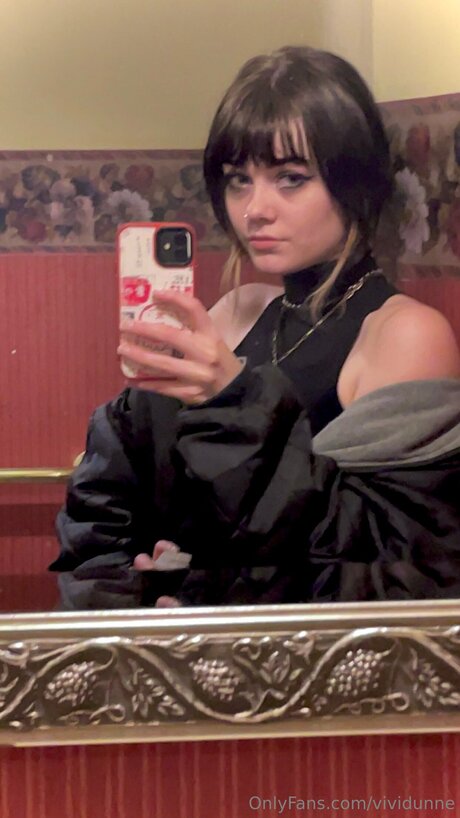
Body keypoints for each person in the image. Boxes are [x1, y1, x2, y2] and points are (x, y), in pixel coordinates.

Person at [51, 46, 460, 609]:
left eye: (290, 178)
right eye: (238, 179)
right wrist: (135, 590)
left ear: (356, 182)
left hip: (301, 660)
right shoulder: (237, 310)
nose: (254, 209)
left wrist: (234, 402)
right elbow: (116, 498)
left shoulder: (405, 333)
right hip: (165, 649)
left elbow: (384, 567)